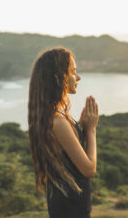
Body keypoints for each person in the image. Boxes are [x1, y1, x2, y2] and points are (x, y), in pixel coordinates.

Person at [28, 47, 98, 218]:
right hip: (69, 208)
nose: (78, 77)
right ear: (59, 77)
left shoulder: (54, 116)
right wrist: (91, 130)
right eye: (73, 72)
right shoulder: (57, 121)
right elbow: (89, 169)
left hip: (68, 204)